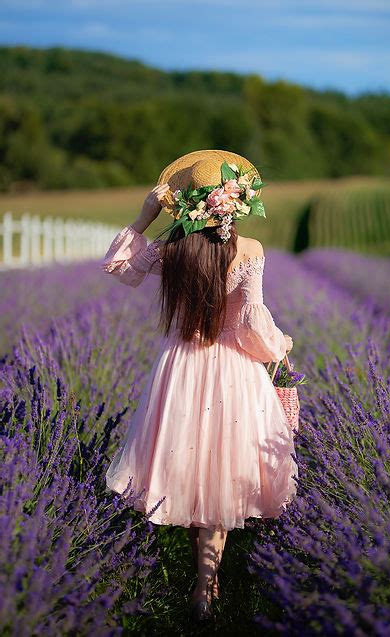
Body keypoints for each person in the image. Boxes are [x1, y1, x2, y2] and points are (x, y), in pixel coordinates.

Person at [102, 149, 298, 622]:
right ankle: (205, 587)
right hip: (233, 369)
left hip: (181, 368)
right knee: (221, 478)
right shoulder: (249, 250)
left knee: (190, 471)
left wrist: (145, 215)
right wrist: (280, 347)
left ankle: (198, 581)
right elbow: (252, 323)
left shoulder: (172, 249)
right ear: (235, 202)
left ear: (186, 204)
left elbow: (120, 269)